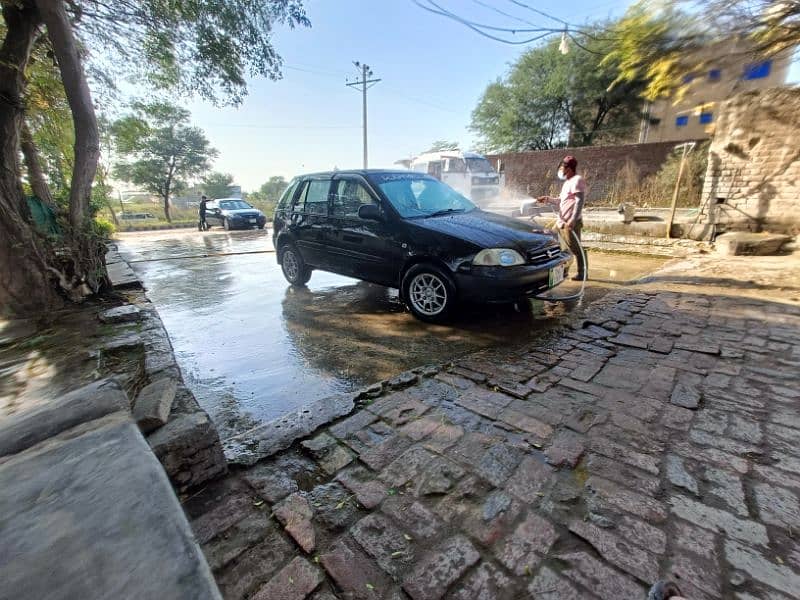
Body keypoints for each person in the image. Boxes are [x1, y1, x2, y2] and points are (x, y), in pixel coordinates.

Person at [536, 155, 587, 281]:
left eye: (563, 167)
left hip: (570, 222)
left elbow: (580, 200)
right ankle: (561, 270)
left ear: (569, 168)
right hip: (561, 221)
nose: (561, 170)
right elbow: (561, 201)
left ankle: (582, 273)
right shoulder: (567, 183)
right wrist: (548, 199)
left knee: (575, 248)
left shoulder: (577, 180)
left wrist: (573, 219)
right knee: (552, 242)